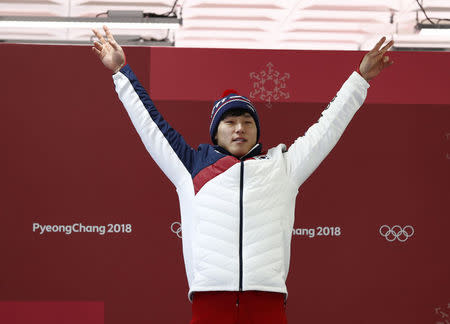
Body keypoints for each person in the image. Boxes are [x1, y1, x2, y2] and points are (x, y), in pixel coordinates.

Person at [92, 26, 394, 324]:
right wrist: (121, 71)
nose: (239, 128)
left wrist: (360, 79)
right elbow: (150, 123)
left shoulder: (283, 167)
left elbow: (327, 128)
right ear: (216, 132)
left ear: (256, 130)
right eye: (231, 122)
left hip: (268, 304)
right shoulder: (190, 167)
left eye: (247, 122)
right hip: (210, 304)